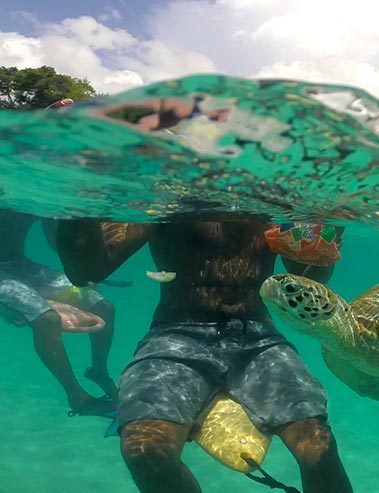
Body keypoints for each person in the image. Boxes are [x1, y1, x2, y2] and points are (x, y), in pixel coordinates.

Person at [56, 97, 353, 493]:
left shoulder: (271, 200)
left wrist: (329, 225)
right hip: (176, 335)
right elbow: (86, 269)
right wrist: (78, 179)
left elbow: (309, 275)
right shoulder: (164, 196)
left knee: (319, 449)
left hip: (259, 339)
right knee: (146, 452)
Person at [0, 209, 118, 415]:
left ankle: (98, 371)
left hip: (20, 265)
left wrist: (86, 269)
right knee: (48, 319)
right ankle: (77, 396)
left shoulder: (36, 193)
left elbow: (56, 241)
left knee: (104, 307)